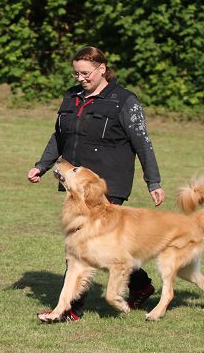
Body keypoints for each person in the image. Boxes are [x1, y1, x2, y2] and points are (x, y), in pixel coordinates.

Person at [27, 45, 164, 322]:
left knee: (82, 246)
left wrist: (154, 181)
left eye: (86, 73)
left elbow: (143, 144)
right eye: (76, 73)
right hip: (76, 181)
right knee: (105, 246)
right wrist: (42, 165)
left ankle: (69, 311)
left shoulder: (125, 101)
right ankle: (141, 285)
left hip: (106, 184)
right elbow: (59, 135)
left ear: (102, 69)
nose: (80, 78)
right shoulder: (71, 97)